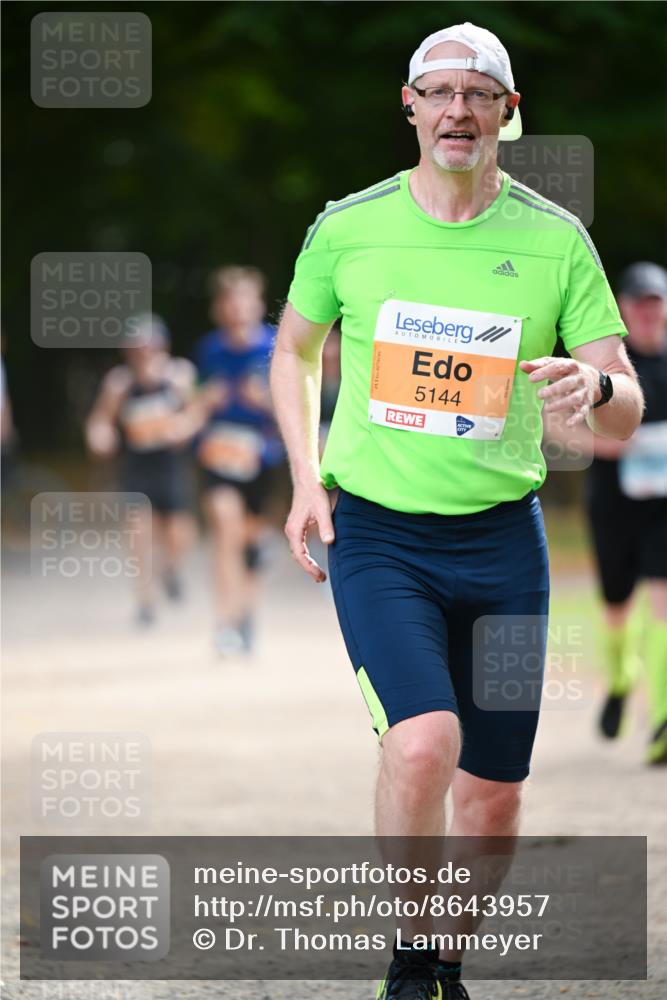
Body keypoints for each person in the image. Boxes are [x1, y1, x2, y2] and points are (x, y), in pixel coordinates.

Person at [270, 21, 643, 1000]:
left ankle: (443, 959)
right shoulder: (348, 226)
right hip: (379, 533)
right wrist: (306, 479)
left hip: (503, 543)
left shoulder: (555, 240)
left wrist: (595, 394)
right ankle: (407, 960)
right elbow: (293, 350)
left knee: (492, 798)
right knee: (423, 738)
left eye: (479, 94)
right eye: (437, 92)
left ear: (507, 115)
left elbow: (623, 397)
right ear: (409, 107)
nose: (457, 110)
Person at [585, 262, 667, 764]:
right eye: (638, 302)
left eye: (655, 301)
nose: (647, 310)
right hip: (614, 505)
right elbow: (558, 424)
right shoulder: (610, 365)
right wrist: (605, 444)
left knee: (662, 605)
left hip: (664, 510)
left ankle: (661, 718)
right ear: (624, 310)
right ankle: (619, 679)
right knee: (616, 603)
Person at [193, 266, 282, 656]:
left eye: (245, 298)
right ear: (218, 307)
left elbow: (297, 409)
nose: (238, 306)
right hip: (219, 455)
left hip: (263, 458)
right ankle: (224, 622)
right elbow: (197, 400)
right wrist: (202, 406)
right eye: (230, 299)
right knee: (225, 529)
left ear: (258, 303)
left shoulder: (276, 345)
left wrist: (261, 401)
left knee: (251, 542)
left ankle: (246, 614)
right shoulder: (209, 349)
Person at [85, 314, 197, 625]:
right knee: (138, 533)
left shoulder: (179, 376)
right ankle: (145, 601)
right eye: (138, 347)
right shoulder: (119, 382)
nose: (145, 352)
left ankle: (171, 569)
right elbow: (99, 421)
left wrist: (182, 427)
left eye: (151, 345)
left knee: (179, 533)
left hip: (171, 466)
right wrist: (100, 437)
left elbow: (197, 412)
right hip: (136, 468)